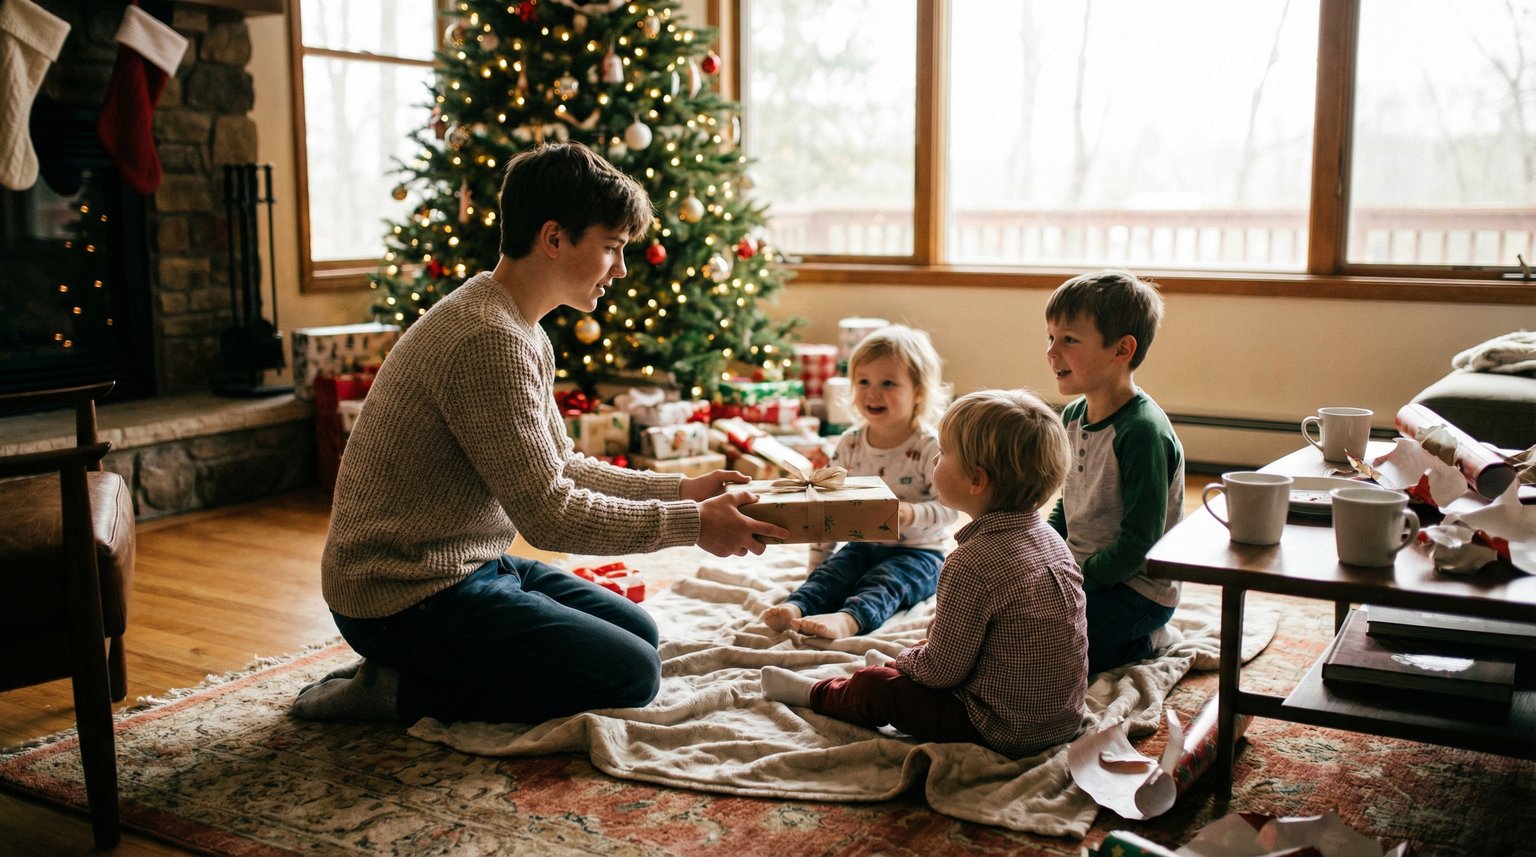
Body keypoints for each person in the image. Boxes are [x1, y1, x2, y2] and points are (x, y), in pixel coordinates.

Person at [293, 142, 788, 724]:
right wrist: (693, 526)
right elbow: (549, 513)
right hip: (400, 596)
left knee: (640, 632)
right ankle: (399, 692)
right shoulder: (487, 338)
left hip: (468, 565)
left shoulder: (520, 325)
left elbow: (564, 466)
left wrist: (682, 490)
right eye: (611, 248)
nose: (622, 268)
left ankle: (432, 667)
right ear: (554, 239)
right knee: (631, 673)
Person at [761, 389, 1087, 758]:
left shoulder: (973, 563)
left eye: (945, 453)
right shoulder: (1052, 541)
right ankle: (894, 669)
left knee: (876, 687)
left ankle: (816, 693)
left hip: (1001, 729)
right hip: (1063, 718)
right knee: (929, 645)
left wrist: (902, 666)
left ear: (976, 481)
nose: (935, 456)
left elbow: (941, 673)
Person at [759, 325, 958, 639]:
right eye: (863, 381)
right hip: (862, 545)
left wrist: (909, 514)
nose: (872, 392)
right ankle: (797, 607)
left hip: (919, 553)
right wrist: (816, 567)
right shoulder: (850, 444)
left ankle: (849, 620)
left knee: (886, 583)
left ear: (918, 391)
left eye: (888, 383)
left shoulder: (928, 446)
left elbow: (950, 509)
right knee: (834, 573)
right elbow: (826, 508)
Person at [1043, 269, 1185, 674]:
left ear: (1121, 349)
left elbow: (1139, 542)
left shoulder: (1141, 432)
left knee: (1050, 652)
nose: (1052, 352)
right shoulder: (1073, 416)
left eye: (1069, 340)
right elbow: (1067, 508)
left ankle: (1145, 640)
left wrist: (1075, 577)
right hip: (1083, 576)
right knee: (1014, 628)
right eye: (1050, 337)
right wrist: (1038, 553)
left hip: (1135, 592)